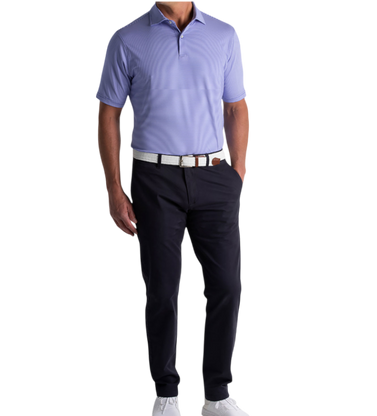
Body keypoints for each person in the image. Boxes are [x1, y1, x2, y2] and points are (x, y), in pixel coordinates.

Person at [93, 1, 252, 415]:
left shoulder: (225, 33)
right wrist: (114, 189)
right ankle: (166, 393)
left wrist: (237, 174)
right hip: (154, 178)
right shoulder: (126, 38)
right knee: (162, 287)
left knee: (227, 285)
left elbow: (236, 105)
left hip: (215, 174)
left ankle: (216, 395)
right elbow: (109, 114)